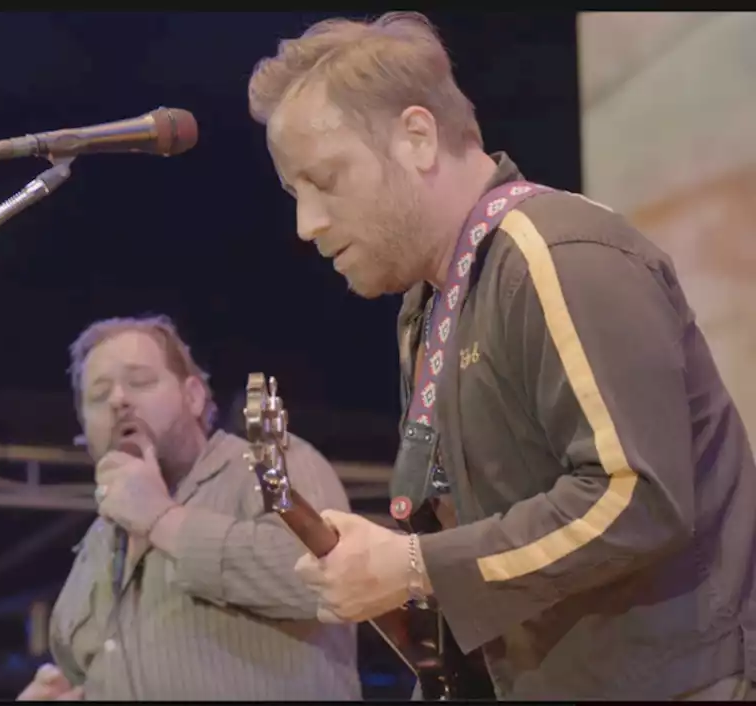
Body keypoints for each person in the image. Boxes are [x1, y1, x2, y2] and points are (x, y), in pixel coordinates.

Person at [247, 11, 756, 701]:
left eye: (325, 180)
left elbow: (637, 497)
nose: (307, 225)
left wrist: (417, 565)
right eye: (293, 194)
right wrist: (391, 567)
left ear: (418, 137)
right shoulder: (429, 308)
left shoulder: (555, 252)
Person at [18, 315, 360, 700]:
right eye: (98, 396)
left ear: (193, 396)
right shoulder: (95, 544)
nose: (118, 400)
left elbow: (329, 581)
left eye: (140, 382)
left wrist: (162, 518)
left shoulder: (266, 466)